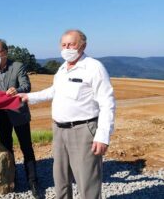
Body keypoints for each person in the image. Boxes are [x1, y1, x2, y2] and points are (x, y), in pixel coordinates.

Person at [18, 30, 116, 199]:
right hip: (59, 130)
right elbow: (54, 91)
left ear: (83, 45)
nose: (67, 48)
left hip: (83, 131)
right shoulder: (63, 68)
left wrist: (103, 135)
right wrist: (28, 97)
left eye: (71, 44)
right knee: (60, 177)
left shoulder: (94, 67)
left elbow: (107, 102)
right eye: (64, 45)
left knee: (87, 180)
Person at [0, 39, 39, 198]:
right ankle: (12, 178)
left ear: (5, 53)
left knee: (26, 146)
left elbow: (26, 86)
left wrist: (16, 90)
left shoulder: (18, 66)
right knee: (6, 147)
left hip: (18, 113)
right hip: (2, 115)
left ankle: (33, 181)